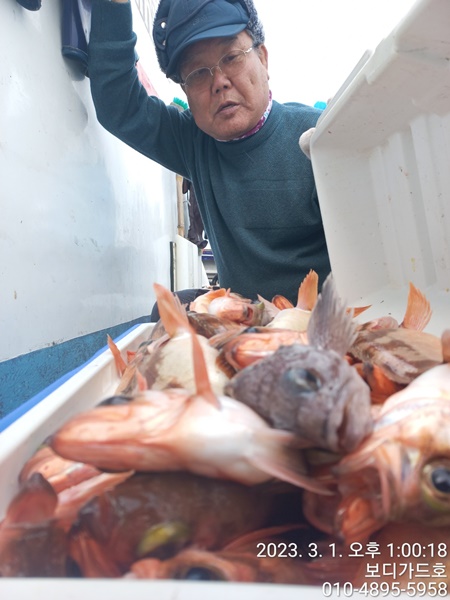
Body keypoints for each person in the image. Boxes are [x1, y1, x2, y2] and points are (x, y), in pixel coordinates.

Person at [88, 0, 331, 307]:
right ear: (185, 91)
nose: (219, 82)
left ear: (263, 58)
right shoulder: (193, 142)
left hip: (325, 322)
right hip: (239, 322)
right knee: (165, 309)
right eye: (197, 73)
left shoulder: (322, 137)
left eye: (231, 57)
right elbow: (119, 105)